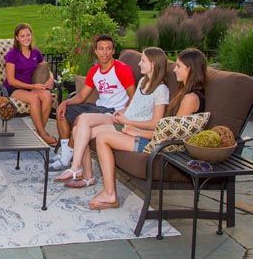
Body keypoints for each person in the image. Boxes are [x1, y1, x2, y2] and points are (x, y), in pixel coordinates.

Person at [89, 48, 207, 210]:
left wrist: (137, 132)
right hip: (157, 140)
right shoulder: (185, 93)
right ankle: (107, 191)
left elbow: (171, 136)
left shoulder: (190, 99)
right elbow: (166, 128)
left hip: (162, 148)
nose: (174, 69)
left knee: (103, 137)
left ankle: (110, 194)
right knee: (101, 134)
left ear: (190, 69)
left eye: (179, 66)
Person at [55, 47, 169, 188]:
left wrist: (126, 121)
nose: (139, 64)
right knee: (79, 127)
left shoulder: (161, 90)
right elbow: (135, 106)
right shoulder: (143, 82)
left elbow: (155, 124)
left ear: (153, 64)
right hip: (123, 119)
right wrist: (122, 111)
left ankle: (75, 168)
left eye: (143, 60)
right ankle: (85, 175)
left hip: (130, 127)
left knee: (81, 127)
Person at [51, 34, 136, 171]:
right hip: (98, 107)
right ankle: (67, 153)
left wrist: (124, 113)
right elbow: (82, 96)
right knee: (63, 112)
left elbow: (134, 96)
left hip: (112, 111)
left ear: (113, 50)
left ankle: (66, 159)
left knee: (80, 119)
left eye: (108, 49)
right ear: (95, 51)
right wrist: (65, 103)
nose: (105, 52)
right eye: (101, 49)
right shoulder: (94, 71)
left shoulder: (122, 69)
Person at [3, 23, 57, 145]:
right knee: (34, 99)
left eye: (28, 35)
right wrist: (33, 87)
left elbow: (45, 68)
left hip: (31, 86)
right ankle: (43, 135)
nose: (26, 38)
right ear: (17, 38)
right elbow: (11, 81)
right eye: (22, 36)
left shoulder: (35, 53)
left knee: (48, 96)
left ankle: (38, 133)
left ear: (31, 35)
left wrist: (51, 78)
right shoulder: (12, 54)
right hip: (13, 88)